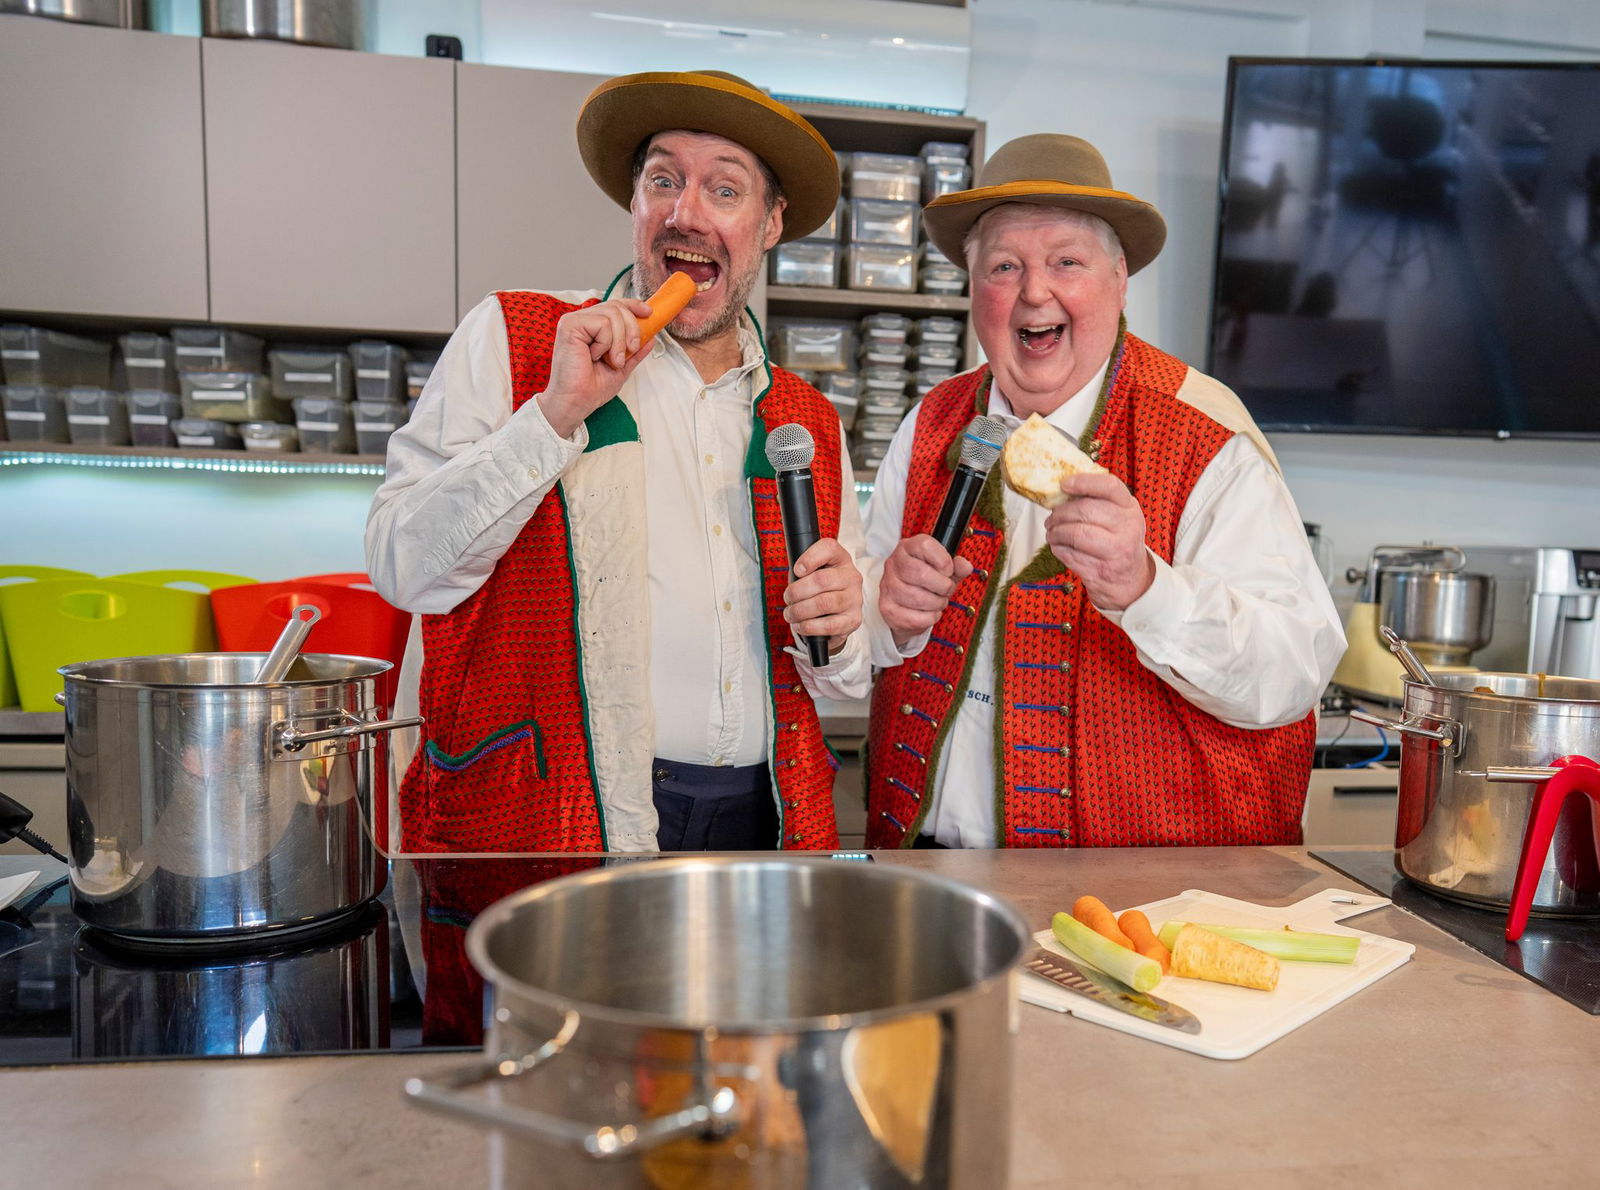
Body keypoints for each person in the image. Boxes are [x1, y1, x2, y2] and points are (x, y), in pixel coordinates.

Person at [366, 70, 868, 855]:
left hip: (761, 820)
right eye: (662, 181)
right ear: (635, 205)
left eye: (725, 190)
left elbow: (843, 678)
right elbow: (404, 567)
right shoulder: (515, 337)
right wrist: (553, 415)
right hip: (551, 816)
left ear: (771, 223)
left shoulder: (808, 421)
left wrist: (840, 627)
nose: (684, 212)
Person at [862, 133, 1345, 849]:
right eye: (1003, 266)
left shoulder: (1206, 432)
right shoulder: (930, 420)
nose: (1034, 292)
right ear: (973, 290)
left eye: (1067, 262)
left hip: (1143, 892)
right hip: (924, 867)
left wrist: (1147, 587)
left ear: (1120, 281)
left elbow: (1292, 673)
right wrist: (885, 611)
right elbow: (860, 634)